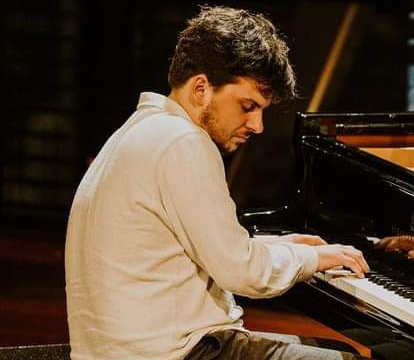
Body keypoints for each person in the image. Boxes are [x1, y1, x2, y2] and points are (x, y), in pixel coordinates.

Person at [64, 6, 371, 360]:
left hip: (127, 351)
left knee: (334, 350)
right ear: (201, 88)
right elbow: (244, 274)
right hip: (177, 352)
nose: (257, 126)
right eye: (247, 105)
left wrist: (277, 246)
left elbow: (208, 248)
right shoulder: (182, 143)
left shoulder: (138, 132)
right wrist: (312, 258)